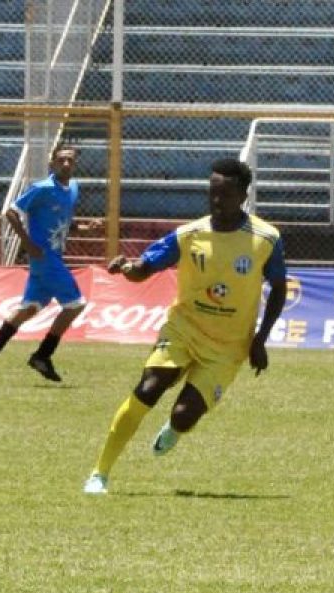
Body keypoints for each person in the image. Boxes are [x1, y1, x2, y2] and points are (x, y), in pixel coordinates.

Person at [83, 158, 287, 495]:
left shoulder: (266, 239)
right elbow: (145, 267)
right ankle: (99, 473)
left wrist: (260, 339)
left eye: (225, 194)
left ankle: (175, 429)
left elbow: (279, 288)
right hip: (184, 329)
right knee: (149, 386)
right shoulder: (189, 235)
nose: (216, 201)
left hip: (227, 347)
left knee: (184, 415)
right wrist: (127, 267)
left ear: (243, 196)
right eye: (212, 193)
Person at [0, 144, 99, 385]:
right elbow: (11, 212)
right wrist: (26, 242)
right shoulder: (42, 188)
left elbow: (61, 220)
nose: (66, 164)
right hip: (44, 257)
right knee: (75, 305)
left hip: (52, 258)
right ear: (52, 164)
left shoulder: (73, 188)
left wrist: (82, 227)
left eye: (70, 160)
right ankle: (42, 355)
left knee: (27, 310)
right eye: (61, 160)